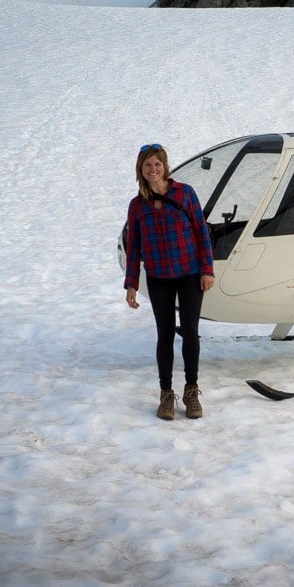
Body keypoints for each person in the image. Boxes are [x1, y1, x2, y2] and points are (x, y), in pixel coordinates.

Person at [124, 144, 215, 420]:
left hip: (189, 274)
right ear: (140, 169)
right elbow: (134, 246)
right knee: (164, 334)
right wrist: (131, 284)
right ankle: (166, 394)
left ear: (165, 166)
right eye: (147, 165)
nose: (153, 170)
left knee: (190, 331)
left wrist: (207, 269)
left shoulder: (184, 193)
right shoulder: (137, 205)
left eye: (157, 164)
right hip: (158, 277)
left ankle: (191, 390)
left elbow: (201, 231)